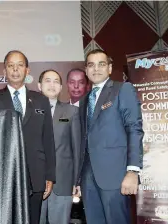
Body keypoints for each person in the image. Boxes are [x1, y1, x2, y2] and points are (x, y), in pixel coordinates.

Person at [0, 50, 56, 224]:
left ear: (27, 70)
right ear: (4, 71)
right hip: (0, 176)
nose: (15, 69)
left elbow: (48, 139)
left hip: (35, 176)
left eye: (20, 65)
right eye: (10, 65)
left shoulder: (41, 101)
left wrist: (49, 175)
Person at [77, 49, 143, 224]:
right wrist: (78, 179)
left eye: (101, 64)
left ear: (110, 68)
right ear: (86, 70)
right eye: (91, 64)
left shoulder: (122, 89)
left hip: (116, 176)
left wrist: (132, 171)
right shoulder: (84, 100)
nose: (96, 69)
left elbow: (134, 129)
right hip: (88, 178)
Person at [38, 70, 80, 224]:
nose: (52, 84)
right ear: (39, 85)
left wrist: (77, 180)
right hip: (35, 182)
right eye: (47, 80)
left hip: (63, 181)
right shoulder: (28, 111)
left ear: (61, 87)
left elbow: (76, 148)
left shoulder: (72, 112)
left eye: (56, 81)